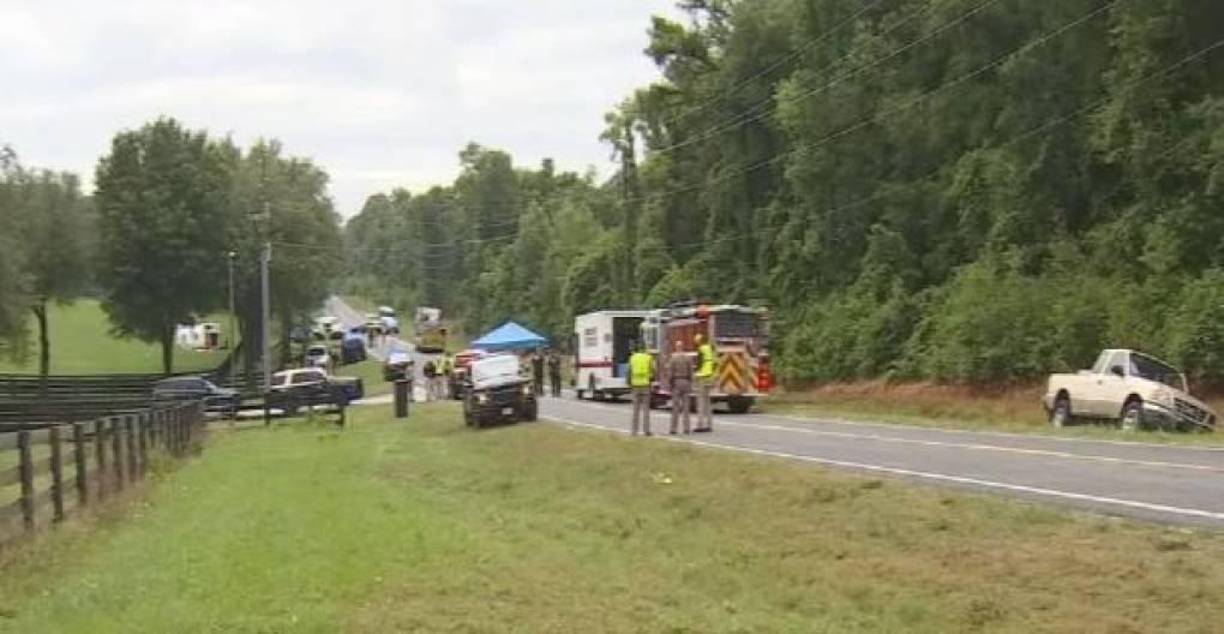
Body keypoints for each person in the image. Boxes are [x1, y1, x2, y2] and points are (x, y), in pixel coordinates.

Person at [667, 340, 694, 435]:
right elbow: (691, 372)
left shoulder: (673, 358)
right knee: (686, 407)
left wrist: (670, 384)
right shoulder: (688, 358)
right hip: (686, 382)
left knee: (675, 407)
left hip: (676, 382)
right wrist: (691, 383)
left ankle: (673, 429)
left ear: (677, 347)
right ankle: (686, 428)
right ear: (682, 347)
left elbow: (670, 373)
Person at [628, 341, 655, 436]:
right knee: (646, 409)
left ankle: (634, 431)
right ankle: (646, 430)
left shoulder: (632, 358)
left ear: (637, 348)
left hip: (635, 385)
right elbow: (653, 371)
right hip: (645, 385)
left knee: (635, 410)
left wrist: (630, 384)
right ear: (644, 348)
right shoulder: (648, 358)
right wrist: (651, 380)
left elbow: (629, 371)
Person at [694, 333, 717, 433]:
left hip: (702, 377)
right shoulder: (710, 349)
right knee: (708, 402)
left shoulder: (701, 349)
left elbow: (699, 364)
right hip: (709, 377)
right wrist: (713, 375)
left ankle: (700, 425)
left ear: (699, 341)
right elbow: (715, 363)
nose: (696, 343)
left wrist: (695, 375)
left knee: (700, 402)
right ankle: (709, 424)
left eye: (697, 341)